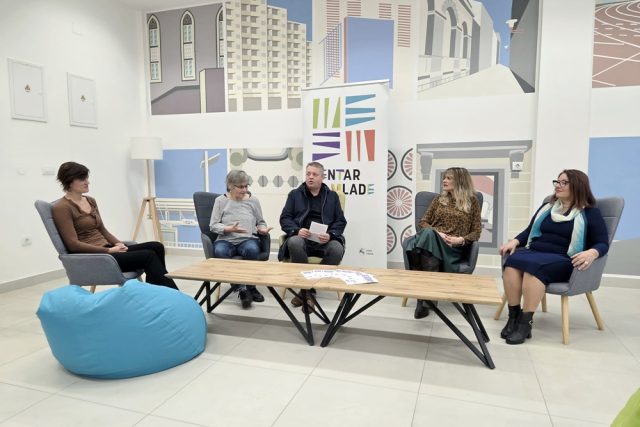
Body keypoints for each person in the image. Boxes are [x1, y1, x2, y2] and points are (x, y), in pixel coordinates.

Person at [499, 169, 609, 345]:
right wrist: (515, 241)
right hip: (535, 252)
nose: (558, 185)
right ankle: (513, 317)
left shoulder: (589, 212)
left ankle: (525, 324)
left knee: (533, 269)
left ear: (577, 186)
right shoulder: (548, 207)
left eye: (564, 183)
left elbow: (602, 243)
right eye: (557, 182)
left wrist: (592, 252)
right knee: (512, 263)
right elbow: (529, 231)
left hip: (563, 258)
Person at [52, 162, 178, 290]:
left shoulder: (90, 200)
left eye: (87, 178)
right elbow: (73, 245)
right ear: (69, 181)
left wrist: (119, 244)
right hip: (96, 257)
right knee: (148, 255)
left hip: (108, 250)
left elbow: (102, 229)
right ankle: (168, 294)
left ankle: (158, 292)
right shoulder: (62, 208)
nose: (87, 182)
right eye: (82, 179)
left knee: (156, 246)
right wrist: (109, 251)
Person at [405, 167, 482, 319]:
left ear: (460, 181)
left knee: (417, 245)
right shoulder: (439, 200)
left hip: (451, 247)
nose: (444, 181)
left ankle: (424, 299)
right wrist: (437, 233)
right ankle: (428, 300)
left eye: (449, 178)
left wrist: (460, 240)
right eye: (444, 178)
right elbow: (423, 222)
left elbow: (476, 232)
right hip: (431, 240)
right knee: (428, 234)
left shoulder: (472, 201)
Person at [279, 161, 347, 308]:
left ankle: (307, 290)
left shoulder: (332, 196)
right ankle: (308, 292)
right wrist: (297, 230)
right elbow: (285, 218)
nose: (310, 177)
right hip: (302, 239)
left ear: (322, 177)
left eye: (315, 174)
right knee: (294, 242)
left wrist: (330, 235)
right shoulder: (295, 194)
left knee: (337, 248)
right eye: (308, 174)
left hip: (324, 241)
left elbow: (340, 221)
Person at [210, 170, 272, 309]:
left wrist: (262, 229)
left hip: (247, 239)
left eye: (246, 186)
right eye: (241, 187)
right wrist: (228, 229)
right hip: (226, 240)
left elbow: (261, 221)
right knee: (220, 251)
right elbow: (213, 225)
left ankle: (251, 287)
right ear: (231, 186)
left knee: (252, 249)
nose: (244, 190)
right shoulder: (220, 201)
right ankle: (241, 289)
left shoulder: (253, 200)